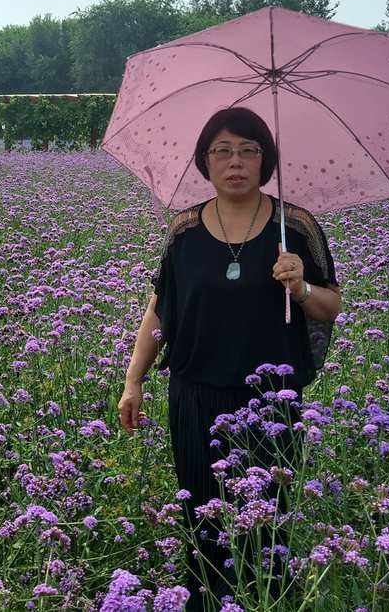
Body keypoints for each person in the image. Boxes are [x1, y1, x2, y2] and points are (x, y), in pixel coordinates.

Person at [118, 106, 342, 611]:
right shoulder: (184, 231)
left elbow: (330, 306)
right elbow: (160, 309)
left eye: (248, 150)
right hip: (195, 395)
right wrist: (135, 380)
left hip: (270, 404)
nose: (235, 161)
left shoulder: (296, 227)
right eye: (222, 150)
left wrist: (300, 285)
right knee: (204, 518)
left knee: (267, 524)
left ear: (266, 159)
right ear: (205, 161)